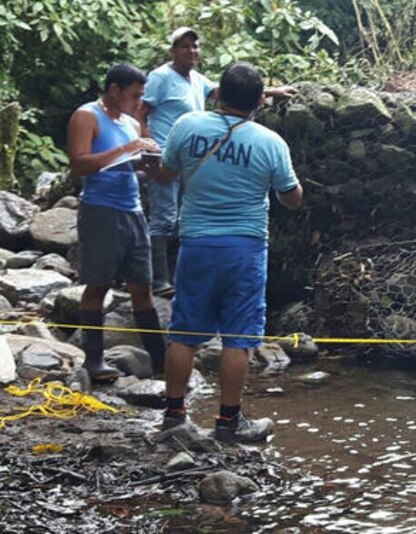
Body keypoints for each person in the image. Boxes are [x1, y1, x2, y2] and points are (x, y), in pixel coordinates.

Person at [159, 62, 302, 443]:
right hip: (245, 247)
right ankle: (228, 422)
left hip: (196, 243)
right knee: (238, 336)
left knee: (185, 331)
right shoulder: (271, 143)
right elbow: (292, 198)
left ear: (218, 94)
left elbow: (166, 171)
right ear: (260, 101)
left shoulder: (187, 126)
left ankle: (174, 416)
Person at [138, 27, 295, 297]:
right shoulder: (160, 77)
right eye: (184, 46)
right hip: (167, 153)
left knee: (181, 216)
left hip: (190, 157)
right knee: (163, 217)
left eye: (195, 46)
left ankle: (178, 277)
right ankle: (159, 281)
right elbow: (141, 112)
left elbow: (227, 93)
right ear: (172, 50)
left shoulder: (196, 79)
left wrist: (271, 91)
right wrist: (147, 141)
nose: (191, 51)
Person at [65, 64, 168, 382]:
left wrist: (149, 163)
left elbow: (131, 166)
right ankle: (94, 361)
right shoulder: (87, 116)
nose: (139, 103)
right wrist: (128, 149)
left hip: (133, 210)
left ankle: (161, 360)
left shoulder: (131, 122)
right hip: (100, 210)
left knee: (143, 286)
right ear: (114, 90)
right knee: (97, 284)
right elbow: (80, 164)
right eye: (135, 96)